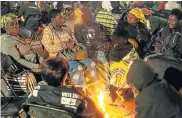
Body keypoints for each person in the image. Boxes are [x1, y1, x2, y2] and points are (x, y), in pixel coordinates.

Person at [28, 57, 104, 117]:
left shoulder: (35, 93)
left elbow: (29, 109)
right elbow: (97, 114)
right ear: (64, 77)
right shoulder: (77, 97)